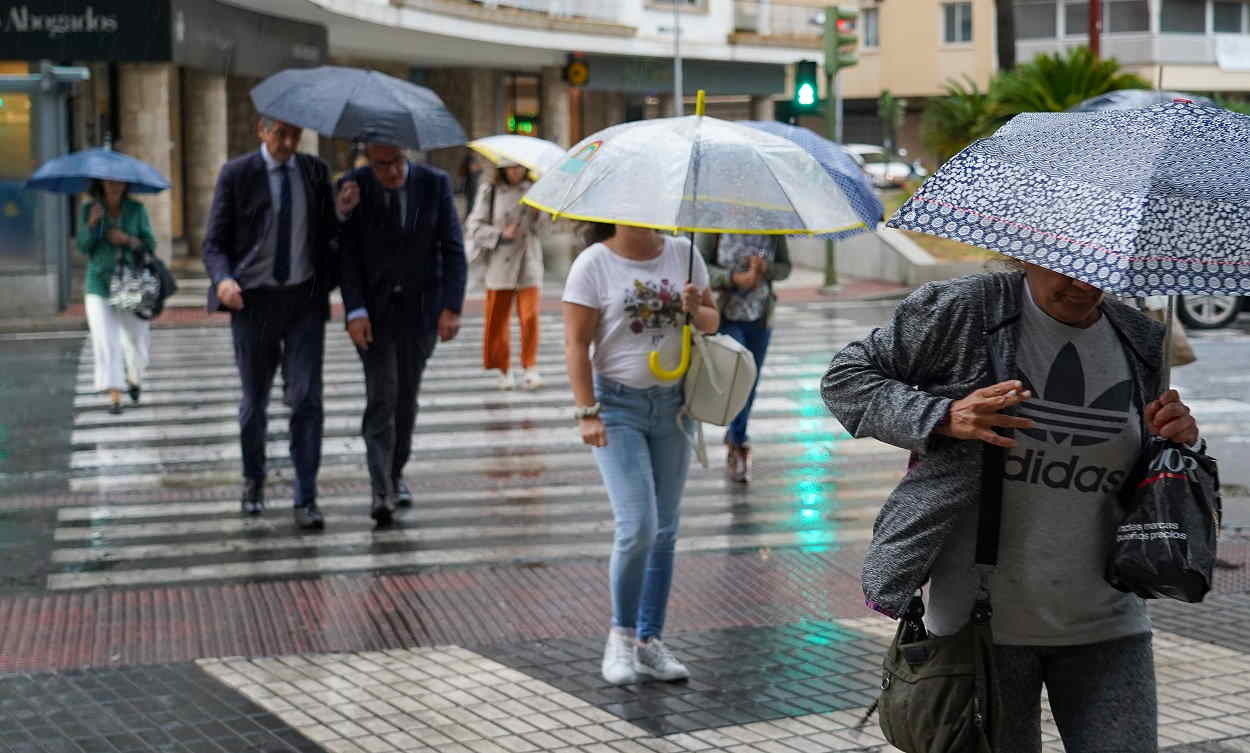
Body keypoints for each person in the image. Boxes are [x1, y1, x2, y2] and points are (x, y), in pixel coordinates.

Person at [822, 265, 1207, 750]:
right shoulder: (966, 310)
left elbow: (1149, 467)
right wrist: (943, 416)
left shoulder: (1139, 338)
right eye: (1067, 266)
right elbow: (847, 378)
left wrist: (1181, 440)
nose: (1085, 284)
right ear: (1028, 249)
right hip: (979, 623)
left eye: (1100, 268)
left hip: (1108, 617)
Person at [563, 223, 719, 686]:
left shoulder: (684, 252)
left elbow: (713, 319)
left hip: (675, 407)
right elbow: (575, 342)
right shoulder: (594, 263)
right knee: (638, 527)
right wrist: (586, 411)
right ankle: (620, 636)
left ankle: (649, 641)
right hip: (617, 408)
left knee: (665, 530)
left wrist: (697, 310)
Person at [202, 117, 344, 529]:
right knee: (255, 401)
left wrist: (344, 212)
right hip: (254, 302)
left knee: (306, 399)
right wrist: (224, 279)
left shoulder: (315, 172)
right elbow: (214, 242)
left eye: (295, 134)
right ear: (261, 131)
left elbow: (329, 235)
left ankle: (306, 495)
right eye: (280, 134)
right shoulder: (237, 174)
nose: (288, 142)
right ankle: (253, 478)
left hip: (303, 301)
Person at [337, 141, 467, 527]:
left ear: (405, 155)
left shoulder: (434, 183)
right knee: (381, 395)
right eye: (380, 165)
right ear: (367, 161)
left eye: (395, 163)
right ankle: (381, 490)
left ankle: (396, 473)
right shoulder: (353, 185)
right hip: (373, 315)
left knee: (405, 399)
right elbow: (346, 254)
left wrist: (452, 308)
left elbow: (453, 248)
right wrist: (354, 310)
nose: (390, 172)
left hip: (420, 312)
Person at [695, 233, 792, 482]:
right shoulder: (716, 224)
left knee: (751, 381)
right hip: (725, 314)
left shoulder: (772, 225)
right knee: (739, 378)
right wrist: (733, 278)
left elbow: (785, 267)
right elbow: (701, 266)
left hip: (760, 317)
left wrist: (765, 268)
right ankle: (739, 443)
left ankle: (736, 435)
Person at [77, 179, 157, 415]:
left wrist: (128, 240)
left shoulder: (136, 210)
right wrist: (91, 225)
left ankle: (134, 377)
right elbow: (83, 247)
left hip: (130, 282)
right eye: (109, 181)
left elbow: (150, 244)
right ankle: (115, 395)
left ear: (125, 183)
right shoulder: (89, 209)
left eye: (119, 181)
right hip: (98, 284)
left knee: (137, 340)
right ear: (101, 183)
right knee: (105, 341)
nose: (114, 185)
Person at [466, 162, 544, 390]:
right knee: (497, 319)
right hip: (499, 263)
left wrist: (541, 215)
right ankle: (504, 369)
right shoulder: (489, 191)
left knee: (530, 317)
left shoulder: (536, 191)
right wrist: (500, 234)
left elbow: (544, 231)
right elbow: (474, 226)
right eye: (510, 167)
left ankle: (530, 367)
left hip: (528, 262)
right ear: (502, 168)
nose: (515, 171)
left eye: (519, 167)